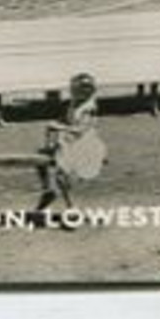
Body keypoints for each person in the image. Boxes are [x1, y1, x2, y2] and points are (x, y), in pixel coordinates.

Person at [34, 72, 106, 223]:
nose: (78, 92)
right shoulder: (74, 103)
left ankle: (68, 206)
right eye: (77, 89)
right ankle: (49, 190)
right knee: (41, 159)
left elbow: (81, 130)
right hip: (70, 141)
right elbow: (67, 120)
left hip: (85, 144)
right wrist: (57, 124)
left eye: (84, 89)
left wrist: (59, 127)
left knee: (61, 172)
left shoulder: (89, 108)